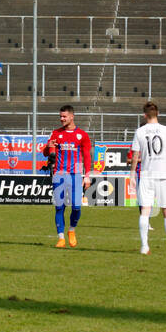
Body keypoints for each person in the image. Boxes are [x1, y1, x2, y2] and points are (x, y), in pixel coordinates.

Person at [131, 101, 166, 256]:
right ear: (158, 114)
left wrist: (132, 174)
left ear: (144, 115)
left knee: (145, 211)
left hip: (146, 174)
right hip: (163, 174)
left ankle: (144, 246)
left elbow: (135, 156)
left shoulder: (140, 131)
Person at [45, 105, 91, 248]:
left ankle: (71, 230)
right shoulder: (56, 133)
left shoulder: (82, 135)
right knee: (59, 207)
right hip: (59, 175)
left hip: (76, 175)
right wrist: (48, 146)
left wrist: (87, 175)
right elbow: (46, 153)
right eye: (60, 116)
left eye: (64, 116)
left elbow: (87, 156)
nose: (61, 119)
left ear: (72, 116)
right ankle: (60, 238)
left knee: (77, 207)